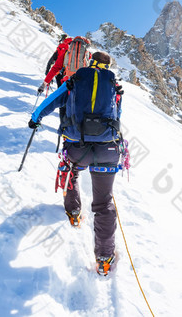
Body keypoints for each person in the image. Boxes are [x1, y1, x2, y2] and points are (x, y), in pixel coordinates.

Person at [29, 51, 124, 275]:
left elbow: (50, 103)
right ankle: (104, 257)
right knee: (104, 203)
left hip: (77, 148)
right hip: (107, 151)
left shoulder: (75, 79)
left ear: (90, 62)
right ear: (108, 66)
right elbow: (118, 117)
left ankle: (73, 213)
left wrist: (35, 119)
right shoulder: (114, 86)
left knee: (71, 172)